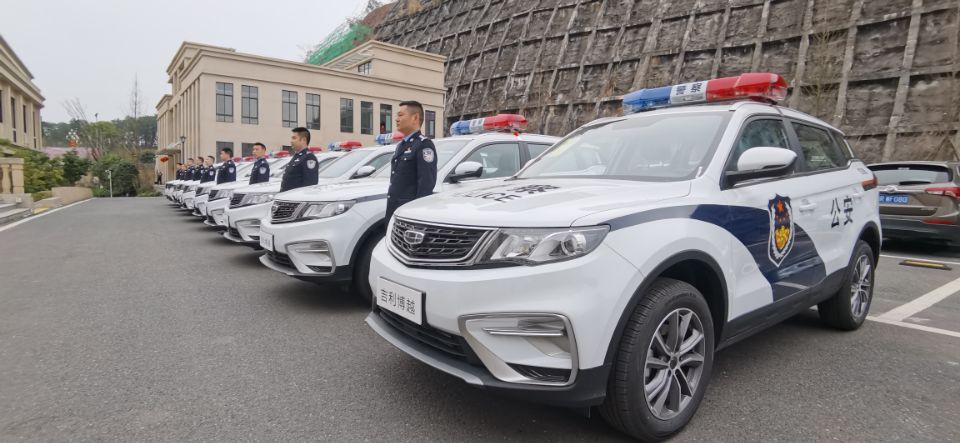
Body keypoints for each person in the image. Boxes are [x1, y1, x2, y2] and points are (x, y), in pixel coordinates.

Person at [386, 100, 437, 221]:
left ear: (415, 117)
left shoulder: (424, 145)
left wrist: (416, 215)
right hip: (394, 211)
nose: (396, 119)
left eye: (401, 115)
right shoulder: (401, 145)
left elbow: (426, 184)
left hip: (408, 214)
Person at [279, 127, 320, 192]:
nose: (291, 141)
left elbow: (309, 185)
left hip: (295, 199)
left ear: (303, 140)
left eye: (294, 138)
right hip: (287, 198)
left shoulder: (309, 158)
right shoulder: (297, 156)